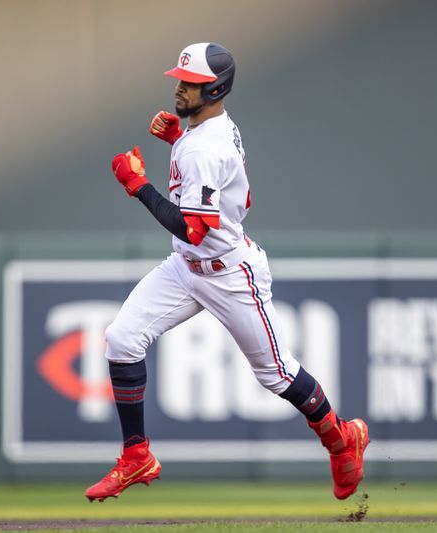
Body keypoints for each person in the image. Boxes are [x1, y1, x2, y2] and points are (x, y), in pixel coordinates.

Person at [85, 42, 368, 502]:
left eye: (190, 84)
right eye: (180, 80)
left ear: (214, 88)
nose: (180, 88)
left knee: (275, 374)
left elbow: (192, 227)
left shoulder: (206, 146)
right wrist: (176, 138)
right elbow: (205, 173)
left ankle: (340, 437)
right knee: (121, 339)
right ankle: (137, 455)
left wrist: (137, 185)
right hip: (186, 267)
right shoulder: (207, 130)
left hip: (228, 271)